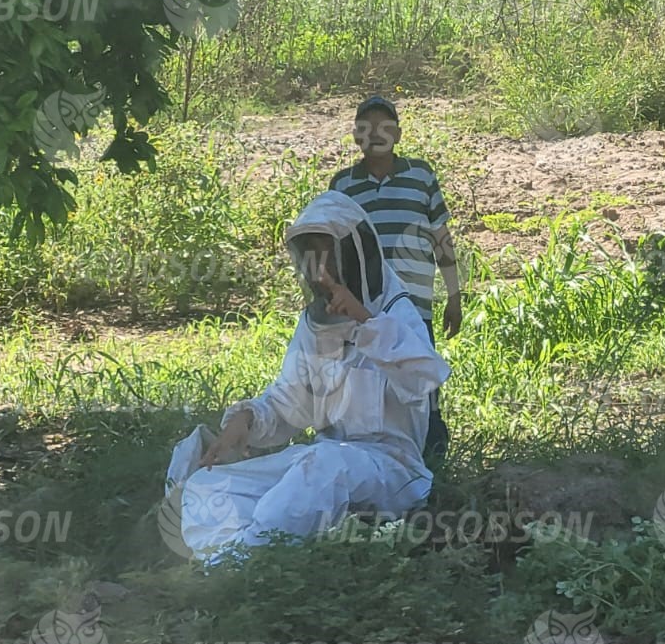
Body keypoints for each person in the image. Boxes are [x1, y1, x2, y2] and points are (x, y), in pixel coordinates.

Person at [164, 191, 449, 557]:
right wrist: (245, 420)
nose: (320, 273)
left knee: (323, 465)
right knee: (208, 486)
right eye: (312, 259)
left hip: (392, 472)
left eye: (329, 258)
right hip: (322, 465)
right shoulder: (315, 324)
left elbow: (424, 377)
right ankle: (229, 557)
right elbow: (290, 404)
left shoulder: (397, 313)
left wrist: (365, 322)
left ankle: (246, 562)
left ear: (356, 255)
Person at [329, 95, 460, 464]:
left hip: (415, 306)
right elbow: (332, 247)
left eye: (384, 126)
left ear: (398, 134)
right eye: (366, 127)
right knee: (368, 385)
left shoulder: (421, 176)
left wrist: (454, 295)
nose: (375, 134)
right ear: (356, 135)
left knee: (421, 383)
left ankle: (431, 461)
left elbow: (441, 239)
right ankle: (376, 461)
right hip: (363, 308)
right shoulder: (342, 185)